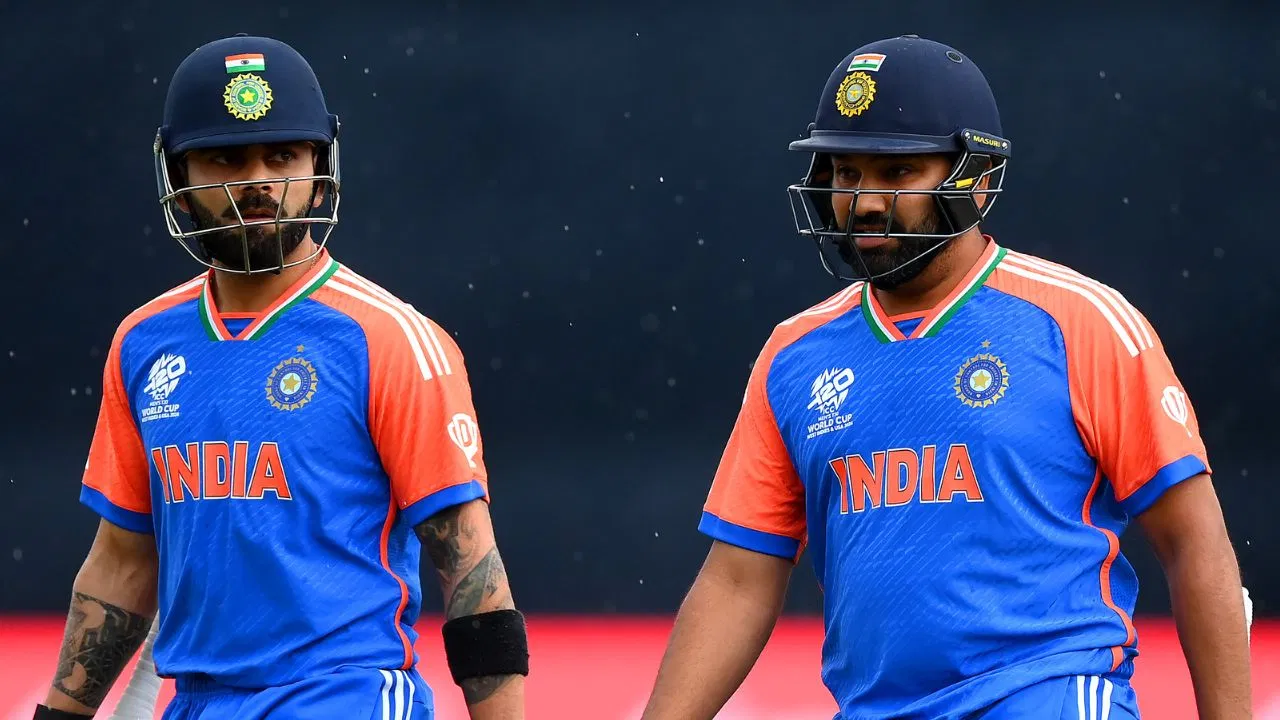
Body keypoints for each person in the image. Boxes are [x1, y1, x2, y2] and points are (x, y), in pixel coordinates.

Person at [641, 35, 1252, 720]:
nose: (864, 201)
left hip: (1047, 696)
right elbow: (737, 582)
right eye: (845, 171)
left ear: (978, 178)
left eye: (898, 171)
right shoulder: (795, 354)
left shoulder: (1081, 322)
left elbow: (1194, 541)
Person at [34, 34, 527, 720]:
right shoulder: (143, 341)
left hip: (342, 695)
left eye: (283, 155)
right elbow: (123, 563)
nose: (258, 182)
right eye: (226, 159)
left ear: (320, 167)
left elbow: (474, 578)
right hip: (198, 703)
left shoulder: (391, 339)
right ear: (178, 174)